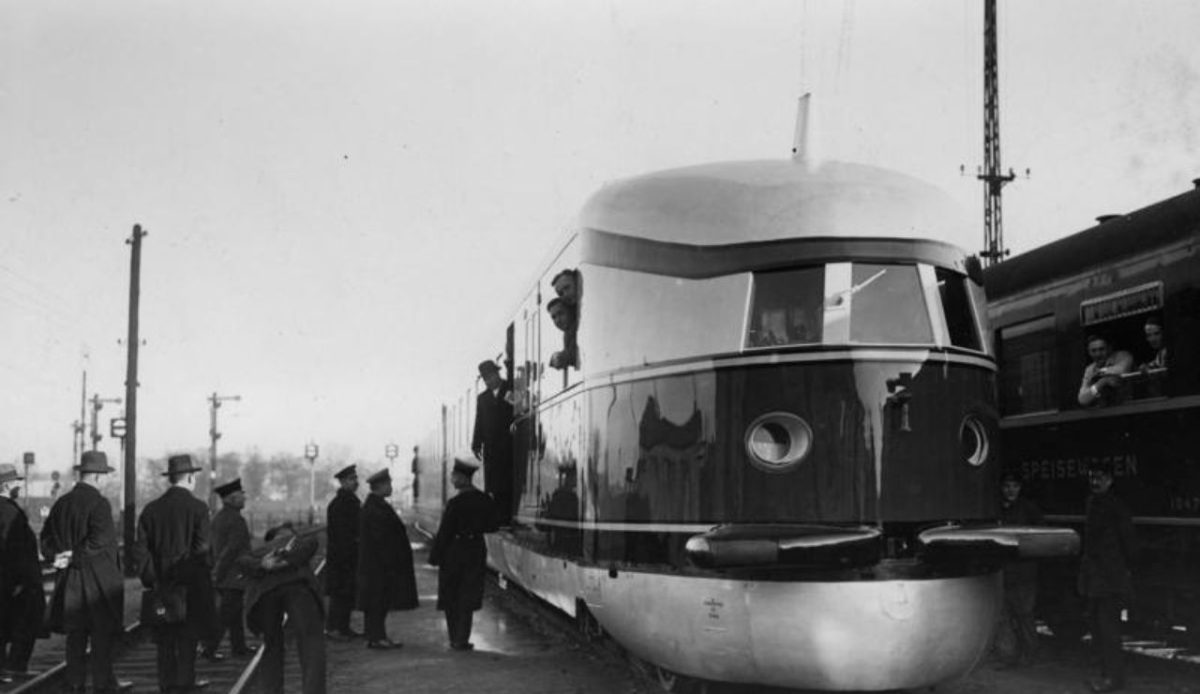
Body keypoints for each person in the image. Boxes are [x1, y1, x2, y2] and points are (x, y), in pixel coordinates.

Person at [40, 451, 131, 694]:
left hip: (69, 582)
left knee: (75, 636)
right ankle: (103, 684)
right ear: (99, 477)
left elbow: (46, 538)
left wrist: (55, 556)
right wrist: (74, 556)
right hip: (97, 583)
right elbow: (100, 540)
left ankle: (75, 684)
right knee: (101, 637)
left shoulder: (61, 503)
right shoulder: (99, 504)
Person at [135, 454, 216, 694]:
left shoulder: (150, 510)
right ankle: (185, 682)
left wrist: (153, 578)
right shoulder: (199, 508)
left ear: (170, 478)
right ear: (190, 477)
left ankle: (166, 684)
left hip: (161, 584)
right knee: (188, 636)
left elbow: (140, 551)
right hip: (190, 586)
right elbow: (202, 549)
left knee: (164, 637)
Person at [237, 523, 325, 694]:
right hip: (297, 588)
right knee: (311, 641)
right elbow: (311, 542)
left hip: (266, 594)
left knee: (271, 644)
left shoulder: (258, 551)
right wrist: (276, 561)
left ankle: (271, 689)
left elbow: (241, 561)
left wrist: (266, 564)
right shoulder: (299, 543)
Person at [1078, 461, 1138, 693]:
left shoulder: (1116, 506)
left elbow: (1129, 543)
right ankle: (1107, 675)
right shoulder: (1092, 503)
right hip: (1095, 578)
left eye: (1101, 478)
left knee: (1108, 630)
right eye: (1093, 477)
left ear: (1110, 481)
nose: (1095, 482)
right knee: (1099, 627)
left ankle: (1113, 680)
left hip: (1110, 579)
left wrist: (1121, 571)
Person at [428, 455, 498, 651]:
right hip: (475, 550)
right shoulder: (484, 499)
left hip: (453, 552)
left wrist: (435, 557)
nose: (452, 480)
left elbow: (445, 533)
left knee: (451, 596)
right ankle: (462, 639)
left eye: (454, 476)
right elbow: (493, 525)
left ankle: (454, 639)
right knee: (467, 596)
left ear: (463, 478)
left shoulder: (455, 503)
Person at [355, 469, 418, 649]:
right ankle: (377, 638)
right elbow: (383, 539)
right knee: (377, 603)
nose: (391, 487)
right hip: (378, 566)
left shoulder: (375, 505)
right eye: (389, 484)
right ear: (380, 486)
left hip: (376, 565)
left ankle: (376, 636)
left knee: (377, 602)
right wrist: (392, 562)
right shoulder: (376, 508)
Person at [993, 471, 1044, 668]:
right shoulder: (997, 509)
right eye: (1007, 486)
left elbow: (1039, 536)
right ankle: (1008, 656)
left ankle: (1030, 655)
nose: (1010, 490)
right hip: (1003, 569)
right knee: (1005, 615)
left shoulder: (1029, 509)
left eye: (1014, 486)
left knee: (1024, 614)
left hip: (1024, 570)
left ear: (1020, 487)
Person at [0, 464, 45, 683]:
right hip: (15, 584)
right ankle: (14, 671)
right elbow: (13, 549)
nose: (20, 485)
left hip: (8, 581)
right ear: (6, 485)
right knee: (23, 626)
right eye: (17, 481)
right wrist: (20, 581)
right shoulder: (9, 511)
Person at [202, 478, 253, 660]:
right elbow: (231, 549)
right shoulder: (236, 520)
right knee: (226, 615)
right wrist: (219, 572)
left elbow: (212, 548)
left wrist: (215, 570)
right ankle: (209, 649)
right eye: (240, 496)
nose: (244, 499)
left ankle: (239, 647)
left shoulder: (219, 518)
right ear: (230, 499)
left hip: (225, 573)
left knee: (235, 612)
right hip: (233, 573)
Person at [472, 360, 514, 524]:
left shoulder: (510, 390)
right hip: (491, 447)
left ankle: (506, 516)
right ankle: (498, 517)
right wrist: (476, 443)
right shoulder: (482, 398)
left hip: (509, 445)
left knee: (507, 481)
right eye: (485, 379)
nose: (488, 381)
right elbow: (479, 421)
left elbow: (519, 412)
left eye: (490, 377)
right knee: (493, 483)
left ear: (497, 374)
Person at [324, 464, 362, 640]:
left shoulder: (347, 502)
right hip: (342, 557)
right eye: (352, 479)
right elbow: (343, 534)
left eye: (355, 478)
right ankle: (335, 628)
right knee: (340, 593)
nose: (356, 482)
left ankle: (343, 627)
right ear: (343, 482)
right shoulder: (342, 504)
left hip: (346, 556)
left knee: (346, 593)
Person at [1077, 335, 1134, 407]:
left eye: (1101, 349)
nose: (1098, 354)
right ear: (1089, 352)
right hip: (1106, 410)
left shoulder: (1123, 356)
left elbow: (1122, 370)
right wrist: (1101, 383)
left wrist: (1100, 372)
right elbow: (1083, 399)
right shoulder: (1090, 369)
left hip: (1129, 407)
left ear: (1109, 348)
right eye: (1093, 351)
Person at [547, 297, 579, 369]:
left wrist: (559, 357)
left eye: (561, 313)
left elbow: (573, 354)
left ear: (570, 311)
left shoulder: (576, 328)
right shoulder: (567, 333)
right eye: (554, 317)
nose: (558, 320)